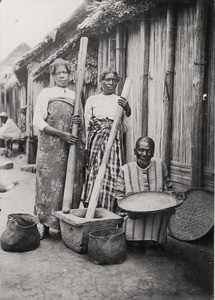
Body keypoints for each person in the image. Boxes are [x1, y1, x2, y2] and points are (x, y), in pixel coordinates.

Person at [33, 58, 84, 239]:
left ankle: (65, 225)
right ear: (53, 75)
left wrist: (78, 121)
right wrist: (61, 134)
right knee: (48, 184)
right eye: (59, 73)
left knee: (69, 185)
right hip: (51, 148)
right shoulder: (46, 93)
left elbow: (80, 123)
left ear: (70, 75)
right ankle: (44, 226)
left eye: (66, 72)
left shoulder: (74, 95)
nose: (63, 76)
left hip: (70, 148)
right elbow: (38, 121)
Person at [115, 136, 183, 250]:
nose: (144, 154)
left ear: (153, 153)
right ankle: (133, 240)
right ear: (135, 151)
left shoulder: (160, 165)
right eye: (141, 150)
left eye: (148, 151)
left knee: (154, 245)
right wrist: (129, 209)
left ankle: (154, 241)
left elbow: (169, 188)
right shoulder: (125, 170)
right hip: (133, 215)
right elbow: (119, 197)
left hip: (156, 213)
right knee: (134, 246)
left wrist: (175, 196)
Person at [83, 68, 131, 212]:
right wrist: (86, 147)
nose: (111, 83)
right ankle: (92, 208)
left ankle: (110, 209)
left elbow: (126, 123)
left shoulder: (120, 100)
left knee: (113, 174)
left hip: (114, 143)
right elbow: (87, 126)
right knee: (95, 172)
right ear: (101, 82)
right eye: (107, 80)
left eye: (114, 80)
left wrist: (127, 108)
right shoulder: (92, 100)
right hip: (95, 144)